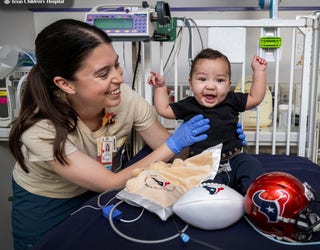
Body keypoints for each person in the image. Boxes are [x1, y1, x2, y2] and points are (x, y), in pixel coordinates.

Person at [8, 19, 212, 249]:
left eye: (116, 64)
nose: (118, 78)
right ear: (65, 84)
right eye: (103, 73)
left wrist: (201, 127)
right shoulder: (41, 128)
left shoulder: (125, 99)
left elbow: (177, 154)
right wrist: (172, 144)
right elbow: (109, 182)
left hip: (98, 195)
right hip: (48, 202)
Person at [148, 48, 268, 195]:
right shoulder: (189, 105)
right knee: (204, 192)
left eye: (219, 80)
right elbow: (163, 109)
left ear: (228, 84)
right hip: (201, 166)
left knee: (252, 167)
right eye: (202, 79)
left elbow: (255, 97)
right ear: (191, 84)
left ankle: (258, 198)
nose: (210, 86)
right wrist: (161, 88)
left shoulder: (232, 100)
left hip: (234, 160)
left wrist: (259, 72)